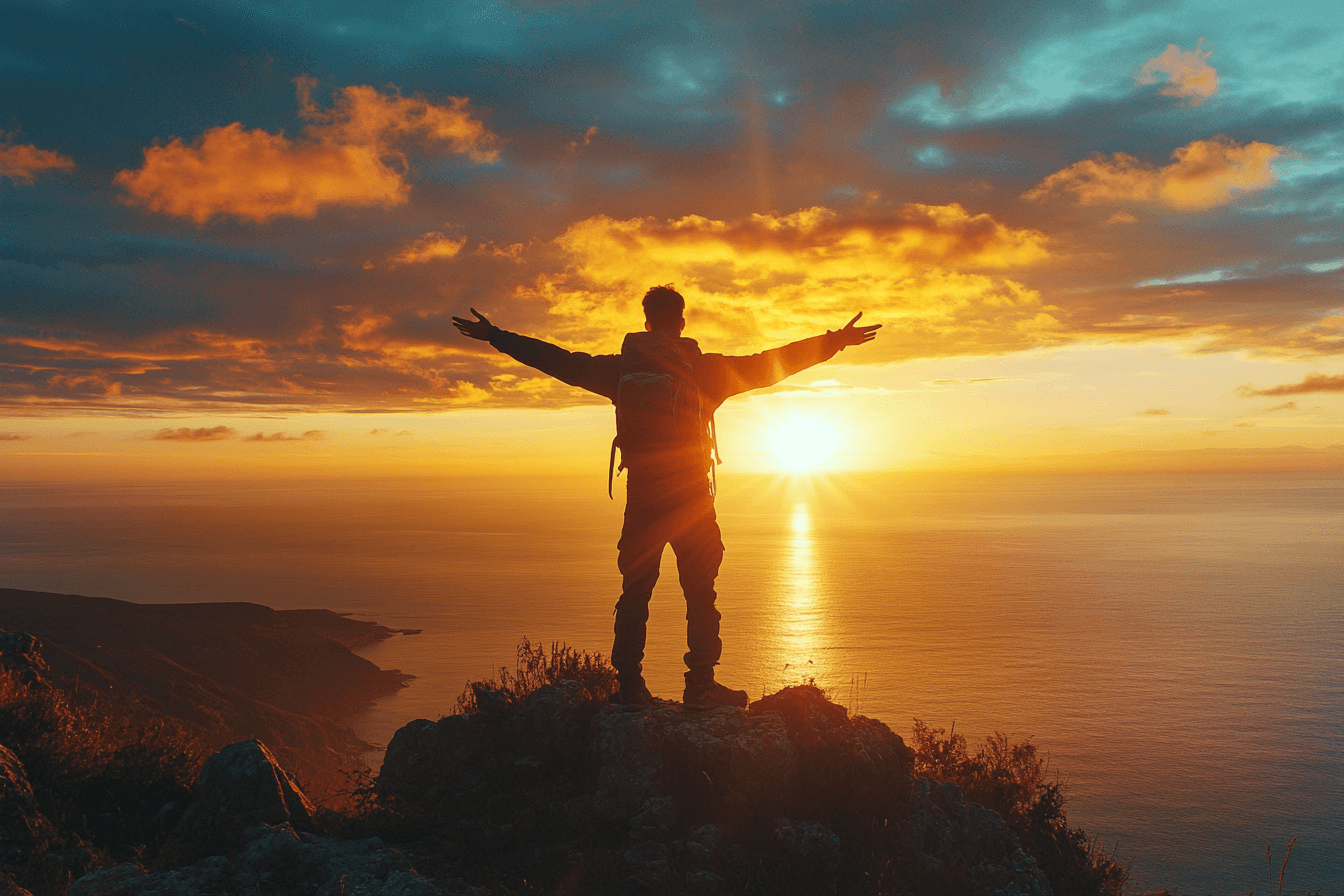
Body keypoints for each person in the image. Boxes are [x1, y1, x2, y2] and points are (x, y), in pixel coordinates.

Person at [453, 286, 880, 709]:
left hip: (642, 496)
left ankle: (630, 688)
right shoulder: (705, 371)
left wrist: (497, 337)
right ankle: (700, 688)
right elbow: (773, 363)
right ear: (680, 324)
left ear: (645, 323)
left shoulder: (619, 370)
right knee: (699, 592)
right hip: (691, 496)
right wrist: (833, 342)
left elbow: (559, 361)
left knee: (635, 591)